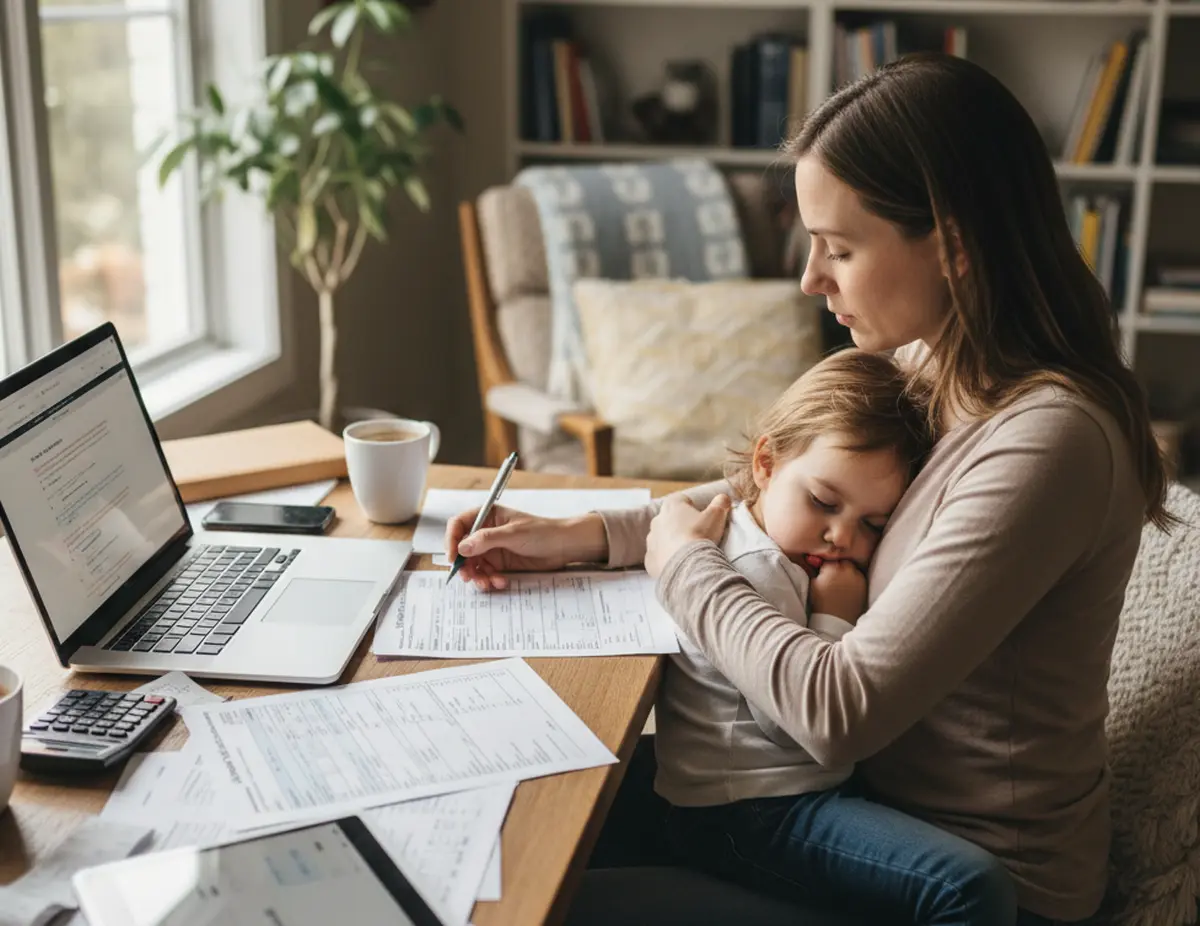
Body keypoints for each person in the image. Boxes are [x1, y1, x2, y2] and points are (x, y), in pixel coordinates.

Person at [446, 52, 1173, 925]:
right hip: (838, 804)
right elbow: (756, 501)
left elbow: (838, 710)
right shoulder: (929, 359)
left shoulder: (1047, 440)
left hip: (966, 887)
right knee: (528, 800)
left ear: (952, 247)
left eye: (839, 248)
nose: (810, 279)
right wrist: (578, 534)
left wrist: (685, 568)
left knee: (544, 898)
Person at [652, 346, 1021, 925]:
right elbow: (785, 724)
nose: (840, 536)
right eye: (824, 502)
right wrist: (833, 619)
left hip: (785, 800)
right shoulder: (761, 567)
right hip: (750, 815)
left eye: (874, 524)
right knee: (968, 887)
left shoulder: (765, 534)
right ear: (765, 463)